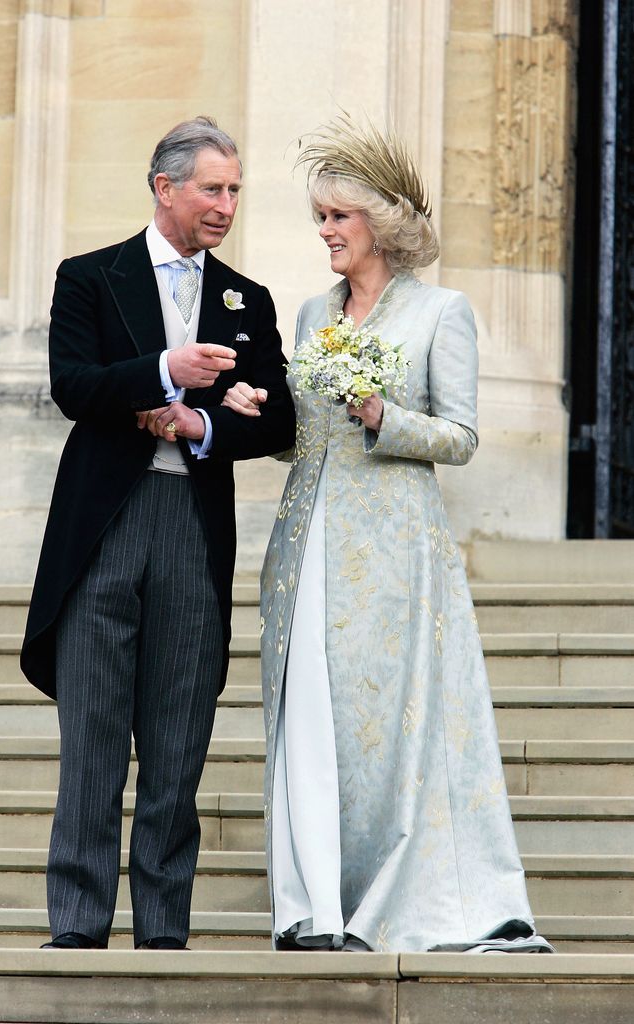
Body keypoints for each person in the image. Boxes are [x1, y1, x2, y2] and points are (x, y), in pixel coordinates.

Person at [222, 115, 554, 954]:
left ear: (384, 223)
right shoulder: (306, 313)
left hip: (396, 551)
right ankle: (314, 906)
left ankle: (390, 893)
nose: (325, 233)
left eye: (338, 217)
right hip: (306, 540)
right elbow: (299, 430)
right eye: (319, 219)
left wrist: (383, 415)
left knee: (387, 725)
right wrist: (250, 408)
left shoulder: (441, 312)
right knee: (310, 718)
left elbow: (462, 438)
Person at [20, 116, 295, 951]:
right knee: (94, 741)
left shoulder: (249, 297)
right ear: (163, 187)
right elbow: (73, 385)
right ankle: (76, 929)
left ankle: (164, 933)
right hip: (103, 526)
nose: (225, 205)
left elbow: (277, 414)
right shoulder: (90, 277)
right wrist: (164, 373)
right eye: (211, 188)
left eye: (235, 190)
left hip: (191, 526)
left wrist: (205, 423)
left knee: (178, 744)